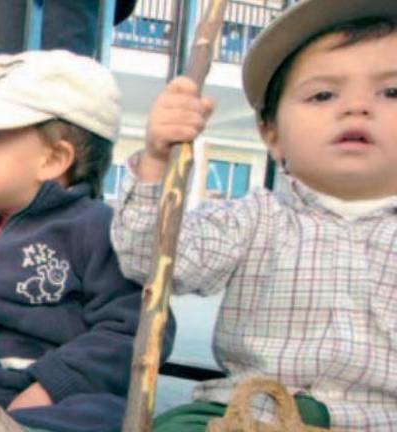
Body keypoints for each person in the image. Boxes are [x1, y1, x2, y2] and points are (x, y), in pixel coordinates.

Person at [110, 0, 397, 430]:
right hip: (249, 412)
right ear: (272, 135)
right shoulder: (254, 219)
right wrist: (155, 162)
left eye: (392, 92)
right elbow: (150, 259)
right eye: (323, 94)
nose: (356, 107)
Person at [0, 49, 172, 432]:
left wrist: (50, 385)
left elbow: (136, 329)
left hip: (64, 392)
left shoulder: (97, 229)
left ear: (52, 160)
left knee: (102, 415)